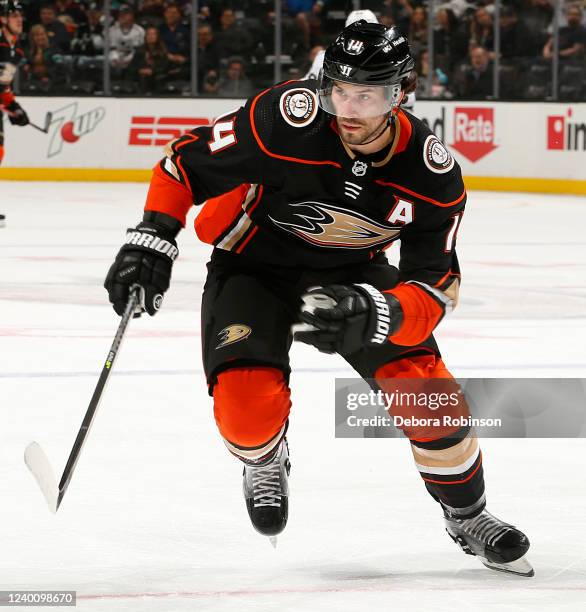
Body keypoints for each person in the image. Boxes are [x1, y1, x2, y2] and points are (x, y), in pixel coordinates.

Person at [104, 22, 533, 577]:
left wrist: (384, 311)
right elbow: (183, 163)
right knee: (245, 413)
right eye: (339, 91)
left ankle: (467, 514)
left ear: (401, 93)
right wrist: (154, 236)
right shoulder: (285, 119)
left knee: (431, 400)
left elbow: (436, 285)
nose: (349, 109)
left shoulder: (433, 174)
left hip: (357, 277)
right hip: (254, 267)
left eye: (369, 95)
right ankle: (264, 457)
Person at [0, 0, 28, 228]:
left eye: (20, 15)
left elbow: (3, 86)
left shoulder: (16, 50)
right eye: (13, 15)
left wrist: (14, 107)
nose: (19, 19)